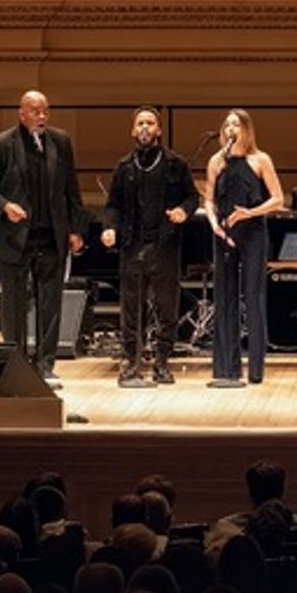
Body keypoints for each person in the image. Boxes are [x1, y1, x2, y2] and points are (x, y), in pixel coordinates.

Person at [0, 90, 86, 387]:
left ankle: (46, 364)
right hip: (15, 238)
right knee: (14, 305)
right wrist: (4, 206)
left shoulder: (60, 141)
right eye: (35, 111)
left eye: (45, 112)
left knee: (50, 304)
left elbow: (71, 190)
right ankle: (16, 363)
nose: (41, 117)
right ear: (21, 112)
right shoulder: (1, 145)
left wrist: (76, 229)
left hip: (51, 236)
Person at [101, 106, 200, 386]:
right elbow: (112, 205)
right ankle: (132, 364)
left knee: (166, 306)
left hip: (164, 244)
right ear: (133, 131)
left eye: (150, 123)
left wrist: (183, 211)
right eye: (140, 123)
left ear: (158, 129)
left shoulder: (175, 164)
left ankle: (162, 363)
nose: (145, 128)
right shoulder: (124, 167)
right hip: (133, 245)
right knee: (132, 308)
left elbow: (192, 198)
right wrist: (110, 228)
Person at [204, 109, 285, 386]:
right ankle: (226, 368)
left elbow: (277, 199)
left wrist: (249, 213)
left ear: (246, 130)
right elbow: (210, 199)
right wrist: (214, 222)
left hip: (253, 233)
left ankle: (256, 370)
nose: (230, 129)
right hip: (224, 232)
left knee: (253, 297)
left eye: (236, 124)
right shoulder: (217, 161)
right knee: (224, 298)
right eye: (226, 124)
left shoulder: (260, 159)